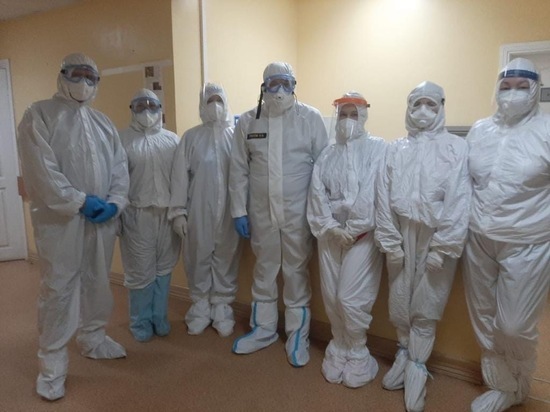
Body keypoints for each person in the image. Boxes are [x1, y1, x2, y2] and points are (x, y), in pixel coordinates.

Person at [17, 52, 129, 401]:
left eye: (90, 77)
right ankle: (52, 365)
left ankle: (93, 338)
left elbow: (120, 168)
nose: (83, 82)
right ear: (62, 75)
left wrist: (115, 202)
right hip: (60, 220)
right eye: (76, 74)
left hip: (100, 220)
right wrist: (80, 201)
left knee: (98, 280)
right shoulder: (39, 115)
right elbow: (42, 171)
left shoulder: (103, 123)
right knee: (60, 287)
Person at [375, 81, 471, 411]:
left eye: (431, 104)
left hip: (435, 233)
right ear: (408, 108)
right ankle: (404, 353)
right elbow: (382, 197)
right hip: (402, 231)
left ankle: (417, 367)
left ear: (442, 107)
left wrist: (443, 248)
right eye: (417, 104)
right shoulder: (395, 149)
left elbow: (460, 199)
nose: (423, 111)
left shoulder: (456, 148)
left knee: (428, 302)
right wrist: (390, 241)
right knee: (399, 298)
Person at [463, 57, 550, 412]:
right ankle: (501, 385)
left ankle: (520, 382)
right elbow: (465, 183)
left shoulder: (547, 130)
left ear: (535, 90)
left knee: (514, 325)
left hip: (528, 242)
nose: (512, 93)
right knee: (483, 316)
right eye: (505, 86)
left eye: (521, 86)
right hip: (478, 239)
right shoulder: (480, 130)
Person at [229, 61, 328, 367]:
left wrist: (321, 213)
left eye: (286, 83)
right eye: (274, 83)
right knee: (265, 268)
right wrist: (239, 210)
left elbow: (324, 168)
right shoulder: (249, 121)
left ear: (294, 85)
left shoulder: (310, 118)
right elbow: (238, 169)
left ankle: (298, 335)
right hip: (261, 212)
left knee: (296, 270)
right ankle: (264, 329)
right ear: (264, 87)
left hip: (299, 212)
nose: (280, 90)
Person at [307, 92, 386, 387]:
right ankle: (339, 347)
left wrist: (353, 229)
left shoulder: (378, 149)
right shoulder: (327, 155)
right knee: (331, 297)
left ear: (364, 115)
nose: (348, 120)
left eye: (354, 114)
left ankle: (358, 352)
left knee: (350, 298)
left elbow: (374, 193)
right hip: (330, 235)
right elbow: (317, 194)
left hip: (362, 236)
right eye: (343, 114)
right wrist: (330, 228)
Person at [170, 83, 242, 337]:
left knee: (226, 256)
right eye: (210, 100)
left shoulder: (236, 136)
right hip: (198, 208)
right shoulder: (191, 137)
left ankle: (222, 307)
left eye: (219, 100)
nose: (215, 105)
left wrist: (245, 210)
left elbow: (245, 174)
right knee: (198, 256)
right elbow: (180, 176)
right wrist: (178, 211)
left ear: (226, 103)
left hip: (230, 210)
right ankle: (200, 307)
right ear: (202, 105)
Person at [119, 88, 181, 342]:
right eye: (140, 106)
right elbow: (116, 180)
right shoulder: (121, 140)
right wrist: (118, 216)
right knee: (140, 271)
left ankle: (159, 317)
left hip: (167, 215)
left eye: (152, 106)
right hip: (137, 215)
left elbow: (181, 180)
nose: (146, 111)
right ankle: (140, 321)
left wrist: (180, 212)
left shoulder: (172, 140)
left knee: (164, 269)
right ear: (131, 110)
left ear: (160, 110)